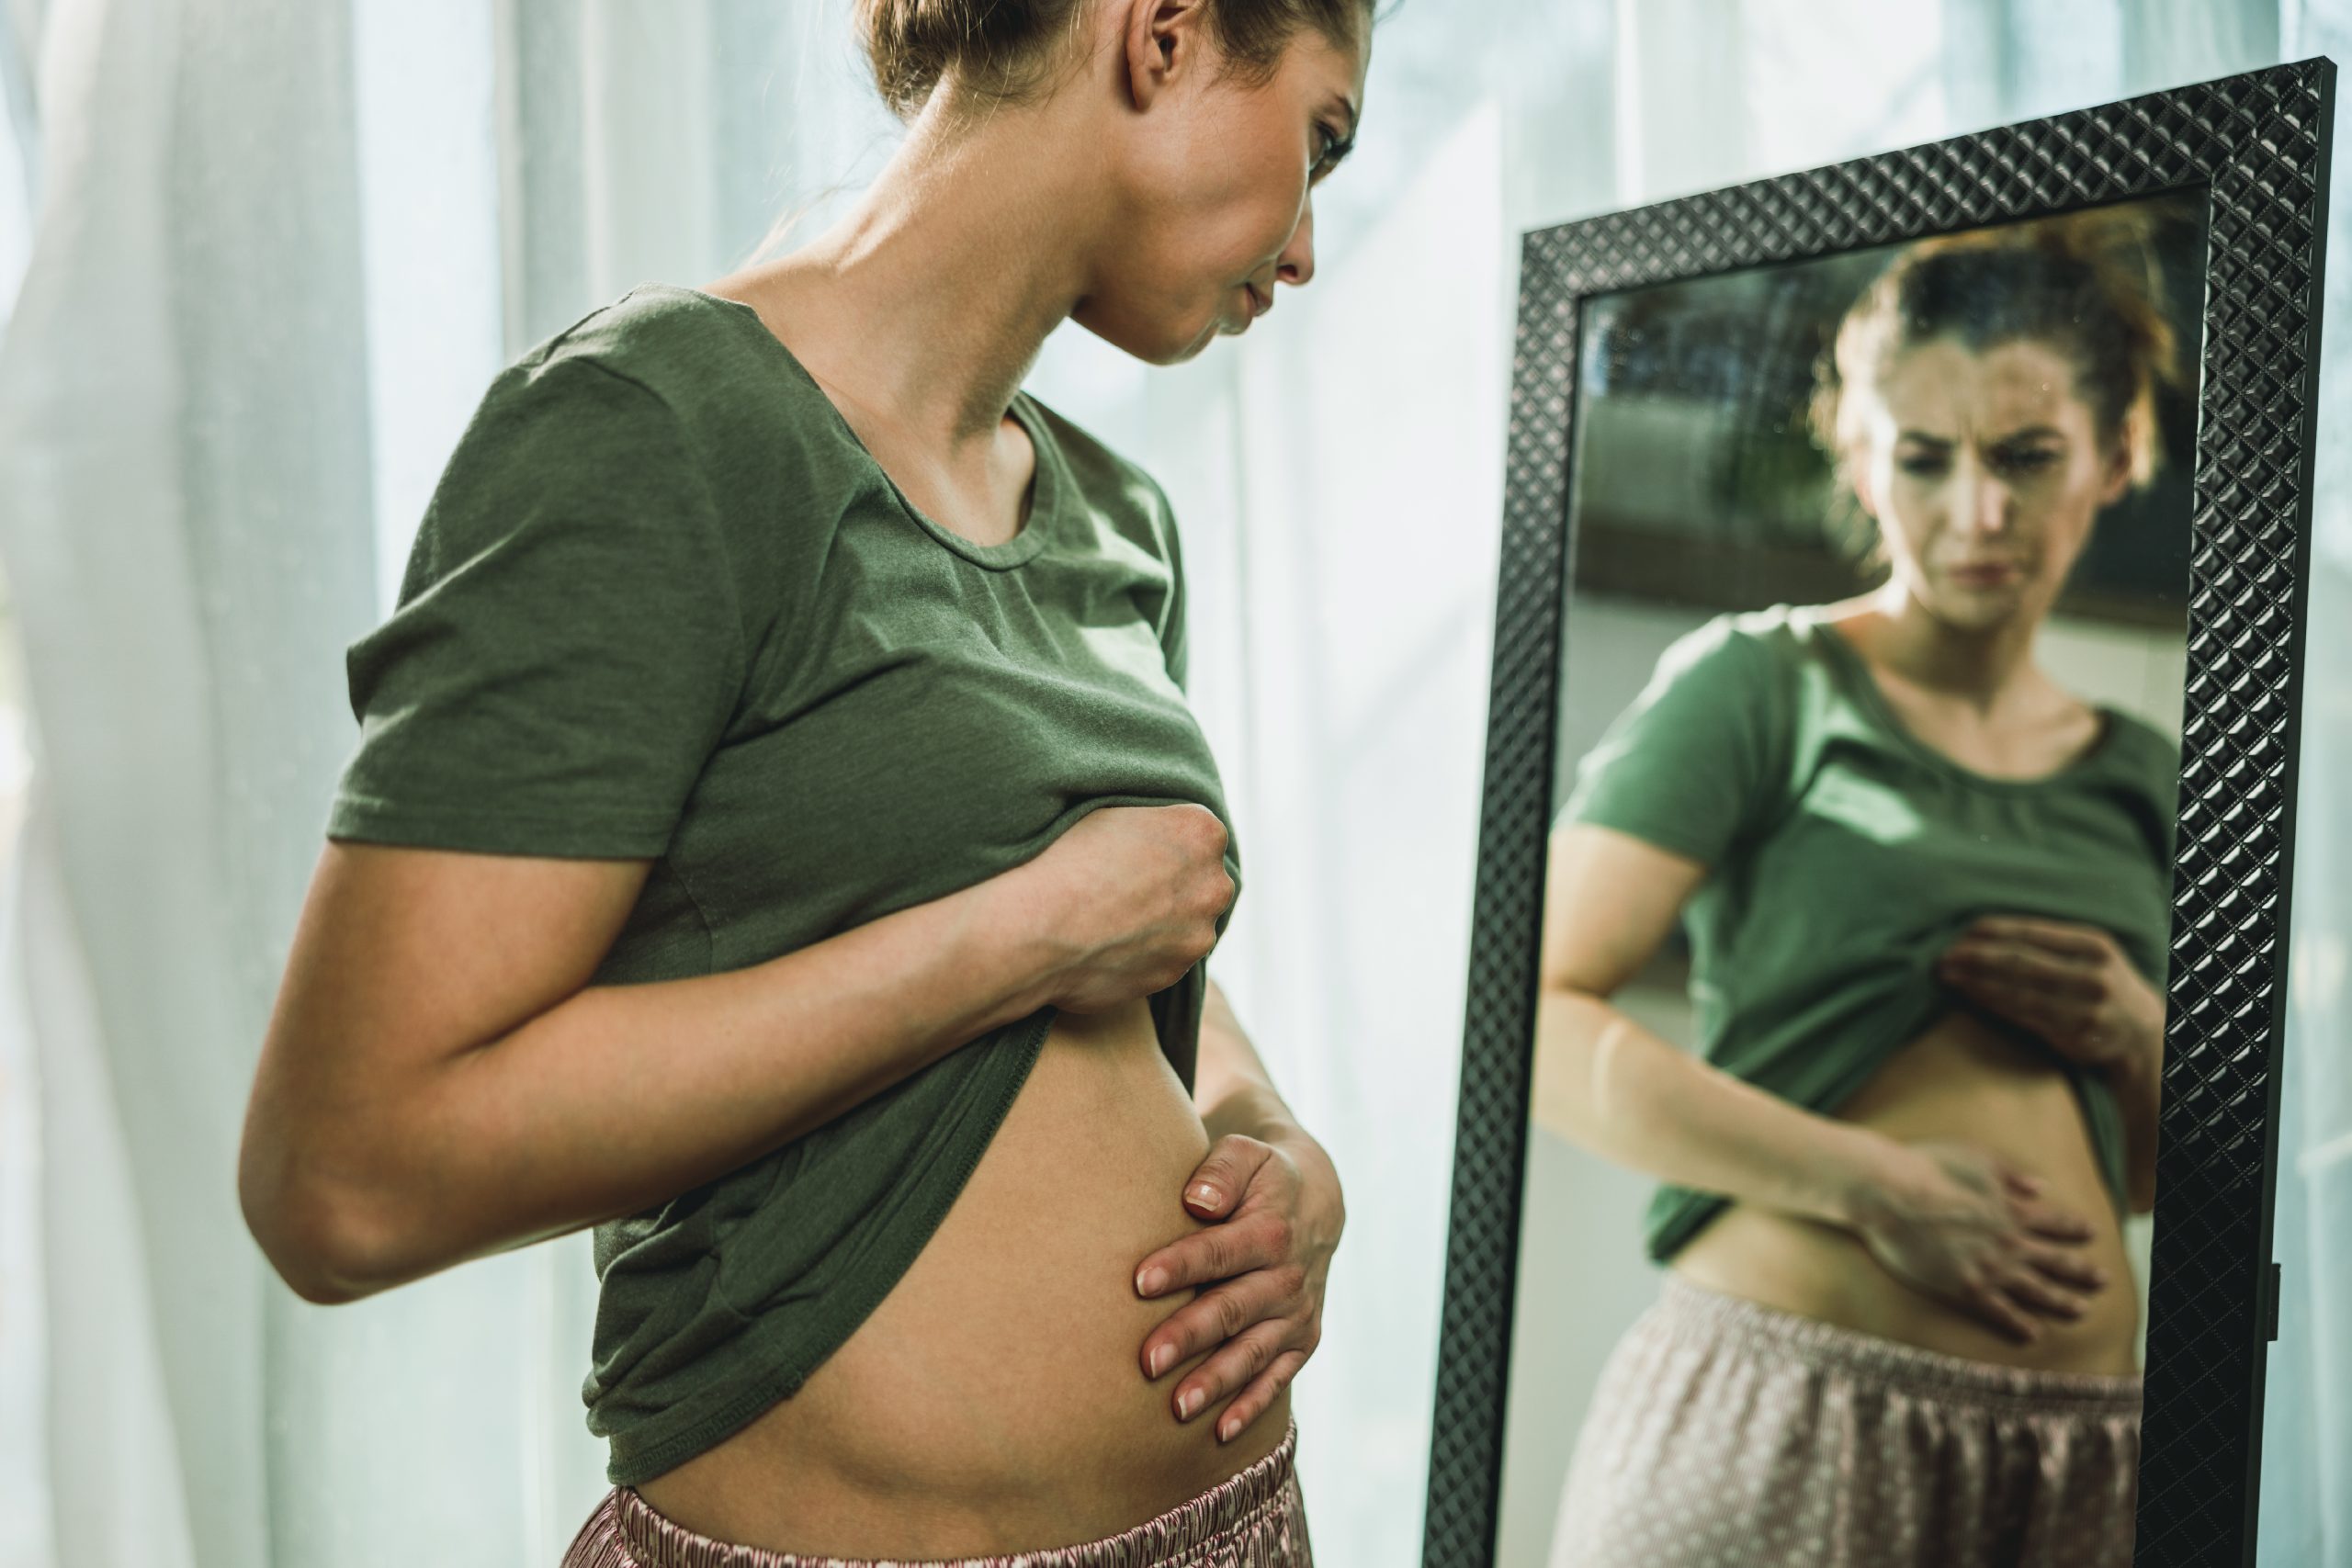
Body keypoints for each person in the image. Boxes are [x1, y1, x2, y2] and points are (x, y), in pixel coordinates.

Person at [235, 1, 1373, 1562]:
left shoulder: (1118, 514)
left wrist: (1269, 1135)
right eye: (1320, 136)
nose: (1307, 245)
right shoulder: (657, 432)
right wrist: (1018, 938)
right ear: (1164, 34)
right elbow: (347, 1174)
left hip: (1233, 1527)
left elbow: (1130, 937)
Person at [1536, 209, 2185, 1568]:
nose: (1978, 515)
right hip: (1786, 1423)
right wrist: (1874, 1188)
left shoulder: (2152, 777)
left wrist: (2139, 1035)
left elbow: (2161, 1183)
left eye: (2026, 458)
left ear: (2120, 453)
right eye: (1926, 460)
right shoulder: (1758, 687)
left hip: (2089, 1461)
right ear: (1859, 454)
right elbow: (1533, 1019)